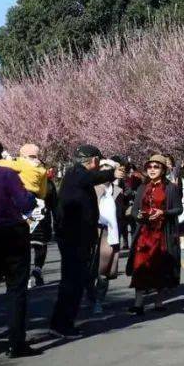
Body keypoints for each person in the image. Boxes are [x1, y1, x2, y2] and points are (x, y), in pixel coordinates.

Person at [50, 144, 115, 337]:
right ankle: (63, 324)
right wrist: (112, 173)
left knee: (73, 281)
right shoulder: (77, 173)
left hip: (76, 237)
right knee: (73, 282)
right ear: (94, 160)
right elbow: (92, 177)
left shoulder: (74, 175)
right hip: (74, 238)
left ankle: (60, 322)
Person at [0, 152, 40, 357]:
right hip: (10, 233)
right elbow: (25, 203)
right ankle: (16, 343)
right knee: (16, 289)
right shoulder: (7, 174)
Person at [127, 154, 182, 314]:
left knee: (160, 267)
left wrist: (163, 212)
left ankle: (159, 302)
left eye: (156, 167)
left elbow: (179, 209)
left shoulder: (171, 187)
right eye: (149, 167)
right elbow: (135, 209)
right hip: (144, 234)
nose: (152, 170)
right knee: (139, 266)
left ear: (163, 169)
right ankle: (138, 304)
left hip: (162, 234)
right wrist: (139, 215)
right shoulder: (142, 188)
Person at [0, 143, 53, 290]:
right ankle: (38, 268)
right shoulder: (41, 169)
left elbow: (0, 163)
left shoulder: (19, 164)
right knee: (39, 241)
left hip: (18, 201)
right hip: (37, 203)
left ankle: (22, 274)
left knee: (21, 241)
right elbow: (43, 192)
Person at [88, 160, 122, 314]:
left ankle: (98, 300)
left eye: (110, 170)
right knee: (89, 269)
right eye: (103, 170)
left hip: (110, 233)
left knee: (104, 270)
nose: (106, 173)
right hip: (93, 231)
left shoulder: (118, 191)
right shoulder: (92, 189)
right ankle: (90, 296)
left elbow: (123, 212)